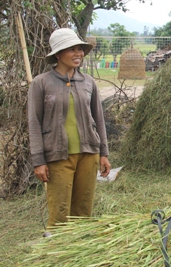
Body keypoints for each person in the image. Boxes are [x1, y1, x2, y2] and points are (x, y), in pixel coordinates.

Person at [28, 28, 111, 234]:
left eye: (80, 49)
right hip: (58, 156)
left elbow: (98, 119)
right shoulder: (41, 83)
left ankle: (80, 250)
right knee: (60, 211)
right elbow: (34, 123)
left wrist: (104, 153)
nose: (78, 54)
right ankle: (55, 251)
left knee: (83, 209)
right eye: (71, 49)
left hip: (88, 154)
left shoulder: (88, 82)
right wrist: (38, 160)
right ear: (57, 54)